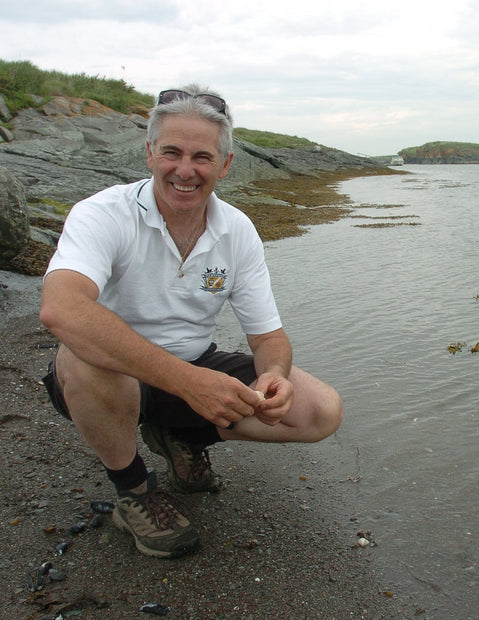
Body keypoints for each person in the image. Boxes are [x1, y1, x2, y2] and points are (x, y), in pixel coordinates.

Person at [39, 85, 343, 559]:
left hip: (194, 365)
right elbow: (61, 308)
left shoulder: (237, 229)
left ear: (225, 165)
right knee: (86, 353)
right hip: (112, 380)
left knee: (320, 410)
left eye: (202, 157)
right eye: (172, 153)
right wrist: (188, 383)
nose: (185, 170)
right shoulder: (103, 214)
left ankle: (180, 434)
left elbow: (268, 336)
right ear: (149, 154)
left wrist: (273, 377)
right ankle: (134, 490)